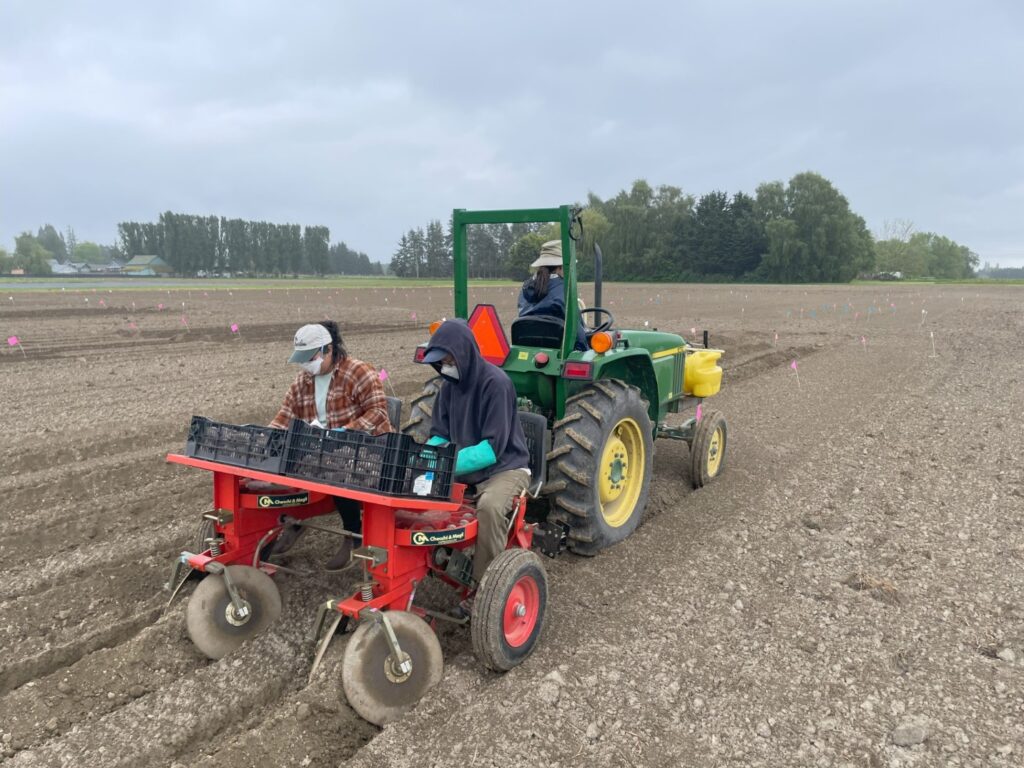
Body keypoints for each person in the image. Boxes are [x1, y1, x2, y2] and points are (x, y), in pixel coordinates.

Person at [417, 319, 530, 615]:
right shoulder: (447, 389)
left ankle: (486, 589)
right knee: (418, 493)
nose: (444, 366)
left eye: (447, 360)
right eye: (439, 363)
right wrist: (426, 457)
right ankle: (434, 563)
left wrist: (446, 462)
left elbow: (491, 450)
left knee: (490, 508)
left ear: (463, 353)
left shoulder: (497, 384)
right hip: (465, 467)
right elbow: (440, 434)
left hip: (505, 467)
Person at [271, 321, 393, 569]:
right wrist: (269, 438)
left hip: (366, 449)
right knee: (286, 462)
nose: (306, 364)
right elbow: (284, 416)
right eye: (302, 358)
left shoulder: (358, 372)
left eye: (310, 357)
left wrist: (345, 432)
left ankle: (353, 535)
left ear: (328, 350)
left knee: (338, 468)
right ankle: (296, 519)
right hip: (322, 448)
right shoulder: (302, 381)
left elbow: (378, 411)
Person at [517, 239, 587, 350]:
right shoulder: (564, 291)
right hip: (560, 355)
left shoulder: (525, 290)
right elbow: (578, 335)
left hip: (528, 350)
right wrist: (586, 350)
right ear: (561, 267)